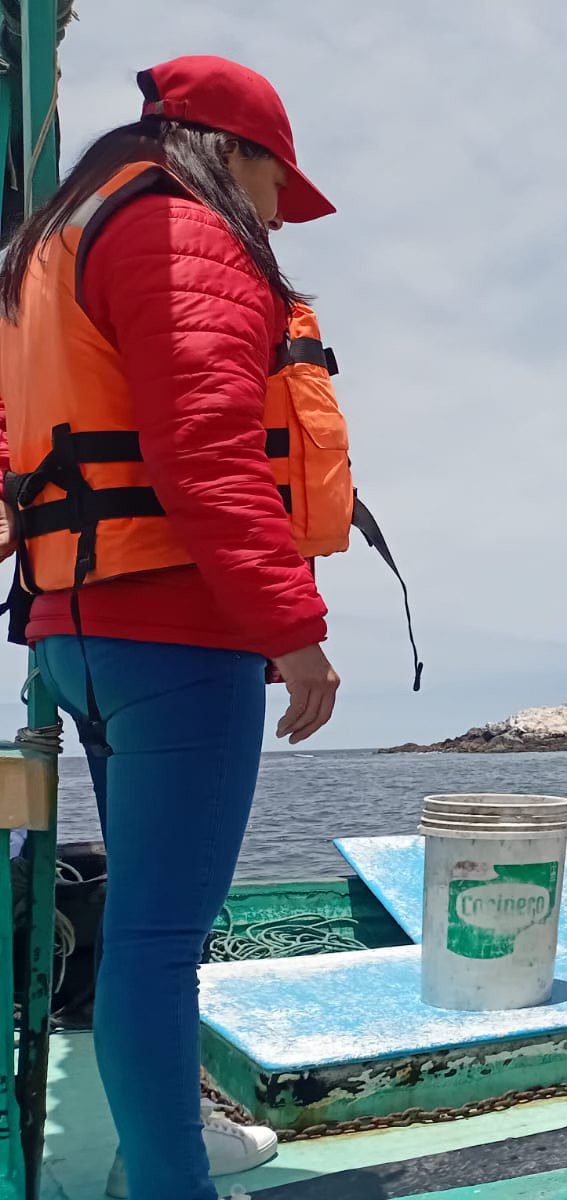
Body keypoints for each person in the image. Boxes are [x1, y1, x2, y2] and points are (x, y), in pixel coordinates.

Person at [0, 56, 350, 1200]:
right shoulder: (181, 227)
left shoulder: (52, 242)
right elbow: (204, 451)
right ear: (232, 152)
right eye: (273, 183)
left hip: (78, 633)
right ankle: (170, 1186)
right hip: (177, 633)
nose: (271, 211)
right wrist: (291, 626)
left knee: (142, 939)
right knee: (159, 947)